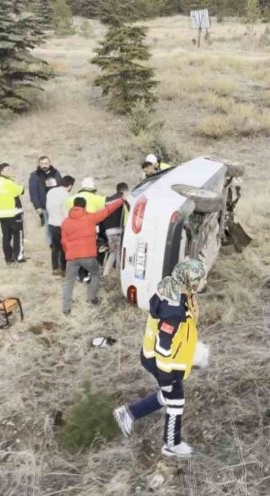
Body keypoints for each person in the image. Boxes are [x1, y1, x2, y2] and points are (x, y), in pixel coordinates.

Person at [113, 260, 206, 458]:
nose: (203, 282)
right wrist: (166, 380)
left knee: (168, 396)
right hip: (162, 362)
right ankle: (171, 444)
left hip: (164, 359)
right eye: (200, 279)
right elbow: (163, 348)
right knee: (175, 399)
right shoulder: (174, 311)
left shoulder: (174, 290)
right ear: (188, 281)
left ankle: (129, 413)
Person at [60, 195, 125, 314]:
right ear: (84, 206)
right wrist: (121, 200)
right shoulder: (90, 217)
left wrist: (68, 253)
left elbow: (63, 242)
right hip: (88, 256)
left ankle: (66, 308)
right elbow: (107, 210)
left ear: (73, 206)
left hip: (71, 257)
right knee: (95, 274)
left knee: (69, 282)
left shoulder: (65, 222)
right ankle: (92, 298)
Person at [0, 163, 26, 264]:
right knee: (18, 235)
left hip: (1, 215)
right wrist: (20, 185)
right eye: (8, 170)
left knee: (6, 236)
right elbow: (20, 191)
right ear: (1, 172)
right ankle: (18, 256)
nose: (10, 171)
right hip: (13, 213)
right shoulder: (9, 183)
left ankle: (8, 258)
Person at [28, 155, 63, 247]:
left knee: (59, 223)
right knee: (48, 224)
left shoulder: (56, 173)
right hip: (44, 205)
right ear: (39, 164)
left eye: (46, 163)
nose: (44, 165)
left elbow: (60, 187)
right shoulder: (35, 175)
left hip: (57, 204)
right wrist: (37, 206)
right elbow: (33, 192)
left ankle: (59, 241)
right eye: (42, 163)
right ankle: (50, 243)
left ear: (50, 163)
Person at [46, 176, 75, 276]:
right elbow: (66, 212)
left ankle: (54, 268)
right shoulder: (66, 195)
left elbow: (48, 207)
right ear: (70, 186)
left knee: (55, 247)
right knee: (64, 248)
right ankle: (63, 269)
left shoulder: (51, 191)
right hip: (62, 224)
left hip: (51, 222)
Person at [102, 182, 128, 277]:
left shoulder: (108, 200)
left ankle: (105, 273)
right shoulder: (124, 199)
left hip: (108, 230)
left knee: (113, 253)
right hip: (118, 230)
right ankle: (118, 275)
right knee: (119, 253)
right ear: (125, 190)